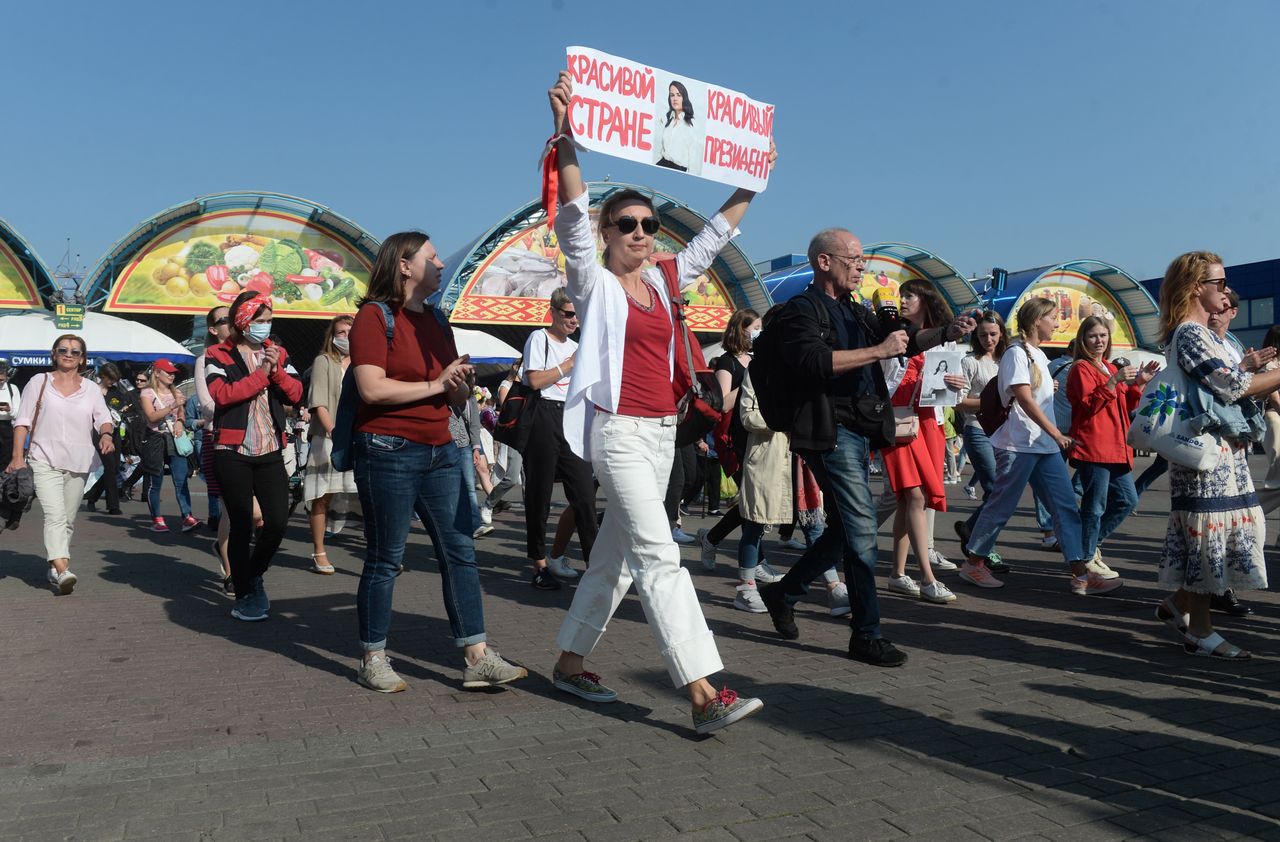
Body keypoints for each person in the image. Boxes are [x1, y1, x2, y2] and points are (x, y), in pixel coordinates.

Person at [545, 70, 769, 733]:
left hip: (661, 434)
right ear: (607, 232)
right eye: (628, 224)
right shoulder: (595, 283)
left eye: (648, 224)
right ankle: (704, 694)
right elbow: (570, 219)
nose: (642, 232)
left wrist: (753, 178)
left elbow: (717, 236)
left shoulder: (670, 277)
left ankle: (567, 662)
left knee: (615, 565)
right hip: (617, 434)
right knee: (660, 559)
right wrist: (565, 135)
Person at [756, 229, 975, 665]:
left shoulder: (855, 310)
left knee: (844, 530)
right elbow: (813, 363)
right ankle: (866, 634)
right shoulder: (802, 310)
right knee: (858, 531)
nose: (861, 266)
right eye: (852, 259)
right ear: (824, 262)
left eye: (862, 259)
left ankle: (783, 593)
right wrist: (878, 350)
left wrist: (947, 330)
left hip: (859, 430)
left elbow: (904, 341)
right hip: (828, 431)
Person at [349, 231, 526, 693]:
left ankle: (476, 655)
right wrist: (437, 383)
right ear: (405, 266)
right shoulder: (374, 316)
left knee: (460, 552)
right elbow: (372, 389)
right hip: (387, 450)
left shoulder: (438, 319)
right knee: (387, 558)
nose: (441, 264)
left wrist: (461, 385)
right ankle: (373, 656)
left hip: (441, 449)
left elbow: (453, 392)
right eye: (431, 257)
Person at [1153, 252, 1278, 659]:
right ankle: (1200, 632)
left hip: (1226, 452)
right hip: (1203, 457)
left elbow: (1230, 390)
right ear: (1196, 289)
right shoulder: (1188, 334)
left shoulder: (1207, 334)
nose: (1225, 292)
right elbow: (1230, 386)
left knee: (1224, 537)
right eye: (1220, 284)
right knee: (1207, 541)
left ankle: (1178, 605)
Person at [957, 298, 1123, 595]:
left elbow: (1038, 398)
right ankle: (974, 563)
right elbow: (1024, 398)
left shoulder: (1038, 355)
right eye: (1053, 317)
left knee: (1064, 508)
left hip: (1041, 445)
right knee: (1001, 507)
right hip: (1018, 444)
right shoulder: (1015, 353)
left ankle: (1082, 575)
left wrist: (1052, 435)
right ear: (1037, 321)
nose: (1057, 323)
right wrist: (1056, 433)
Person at [206, 291, 303, 621]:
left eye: (269, 320)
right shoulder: (217, 355)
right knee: (242, 523)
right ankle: (245, 592)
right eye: (259, 321)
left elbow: (296, 393)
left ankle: (252, 574)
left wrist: (275, 370)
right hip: (231, 451)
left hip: (271, 449)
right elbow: (223, 395)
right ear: (242, 321)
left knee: (277, 522)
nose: (265, 327)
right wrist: (261, 373)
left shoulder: (277, 352)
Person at [5, 334, 114, 594]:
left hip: (80, 459)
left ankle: (54, 566)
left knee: (67, 519)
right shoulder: (38, 382)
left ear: (83, 358)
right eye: (63, 349)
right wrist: (17, 456)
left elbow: (103, 417)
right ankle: (63, 568)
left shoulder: (91, 389)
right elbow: (22, 421)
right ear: (54, 354)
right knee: (54, 515)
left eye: (75, 351)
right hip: (44, 457)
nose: (69, 354)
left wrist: (107, 434)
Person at [880, 280, 962, 605]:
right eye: (901, 295)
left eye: (908, 295)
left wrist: (957, 384)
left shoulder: (946, 340)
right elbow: (883, 378)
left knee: (911, 499)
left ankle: (897, 574)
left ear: (925, 300)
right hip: (898, 421)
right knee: (913, 496)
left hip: (930, 422)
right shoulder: (893, 334)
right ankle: (928, 577)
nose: (902, 301)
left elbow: (951, 396)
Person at [518, 287, 598, 587]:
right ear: (553, 311)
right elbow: (534, 380)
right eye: (568, 313)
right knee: (540, 494)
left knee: (585, 495)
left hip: (573, 417)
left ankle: (594, 565)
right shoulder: (540, 338)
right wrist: (569, 364)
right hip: (544, 414)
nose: (574, 320)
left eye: (577, 314)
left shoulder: (578, 345)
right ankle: (539, 563)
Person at [696, 308, 782, 584]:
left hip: (756, 437)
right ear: (740, 329)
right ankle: (757, 562)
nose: (759, 331)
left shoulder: (759, 360)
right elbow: (722, 403)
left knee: (749, 503)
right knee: (752, 503)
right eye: (754, 326)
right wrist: (750, 379)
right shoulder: (727, 362)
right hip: (732, 441)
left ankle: (711, 538)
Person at [1066, 316, 1157, 575]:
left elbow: (1124, 406)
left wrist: (1139, 383)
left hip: (1116, 447)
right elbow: (1088, 405)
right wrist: (1114, 381)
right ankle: (1085, 561)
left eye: (1103, 336)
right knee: (1094, 507)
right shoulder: (1081, 368)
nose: (1099, 341)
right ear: (1083, 339)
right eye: (1093, 336)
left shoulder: (1106, 365)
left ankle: (1090, 547)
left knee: (1127, 501)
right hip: (1094, 446)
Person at [304, 315, 357, 575]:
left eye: (350, 332)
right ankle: (319, 551)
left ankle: (381, 554)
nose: (346, 337)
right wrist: (334, 432)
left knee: (367, 496)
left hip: (359, 439)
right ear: (332, 336)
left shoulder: (364, 364)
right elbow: (319, 403)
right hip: (328, 438)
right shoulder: (324, 361)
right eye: (341, 332)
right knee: (322, 496)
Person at [194, 307, 234, 589]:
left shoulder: (251, 355)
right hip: (219, 438)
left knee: (258, 512)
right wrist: (242, 402)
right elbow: (208, 405)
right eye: (225, 320)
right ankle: (232, 571)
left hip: (258, 440)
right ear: (213, 329)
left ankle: (224, 549)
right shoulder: (205, 358)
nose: (232, 323)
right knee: (234, 508)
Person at [138, 358, 199, 533]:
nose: (172, 376)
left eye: (173, 373)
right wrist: (173, 405)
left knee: (181, 480)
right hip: (155, 439)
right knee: (155, 481)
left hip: (174, 438)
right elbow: (151, 417)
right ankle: (157, 518)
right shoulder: (147, 393)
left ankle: (187, 517)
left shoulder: (176, 392)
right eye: (168, 372)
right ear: (157, 373)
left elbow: (181, 415)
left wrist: (180, 421)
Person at [83, 363, 130, 515]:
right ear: (102, 376)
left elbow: (122, 407)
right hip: (97, 432)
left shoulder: (116, 392)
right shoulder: (91, 391)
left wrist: (122, 412)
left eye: (114, 379)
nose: (111, 382)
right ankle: (113, 505)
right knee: (109, 466)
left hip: (114, 432)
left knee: (115, 467)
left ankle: (93, 495)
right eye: (109, 379)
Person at [656, 80, 697, 172]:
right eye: (672, 95)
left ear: (684, 98)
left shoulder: (690, 124)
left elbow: (693, 157)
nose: (675, 98)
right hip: (663, 163)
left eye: (678, 95)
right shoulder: (668, 121)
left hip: (678, 168)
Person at [0, 359, 19, 462]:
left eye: (2, 380)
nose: (0, 383)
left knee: (6, 458)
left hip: (6, 427)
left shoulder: (13, 389)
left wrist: (9, 410)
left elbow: (18, 413)